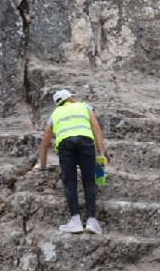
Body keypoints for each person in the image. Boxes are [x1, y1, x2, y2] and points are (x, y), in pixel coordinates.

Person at [35, 88, 107, 234]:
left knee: (70, 181)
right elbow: (96, 129)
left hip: (65, 146)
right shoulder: (84, 106)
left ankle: (75, 220)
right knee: (89, 181)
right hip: (86, 143)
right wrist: (101, 154)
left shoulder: (55, 114)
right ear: (71, 97)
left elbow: (45, 143)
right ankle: (92, 220)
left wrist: (42, 165)